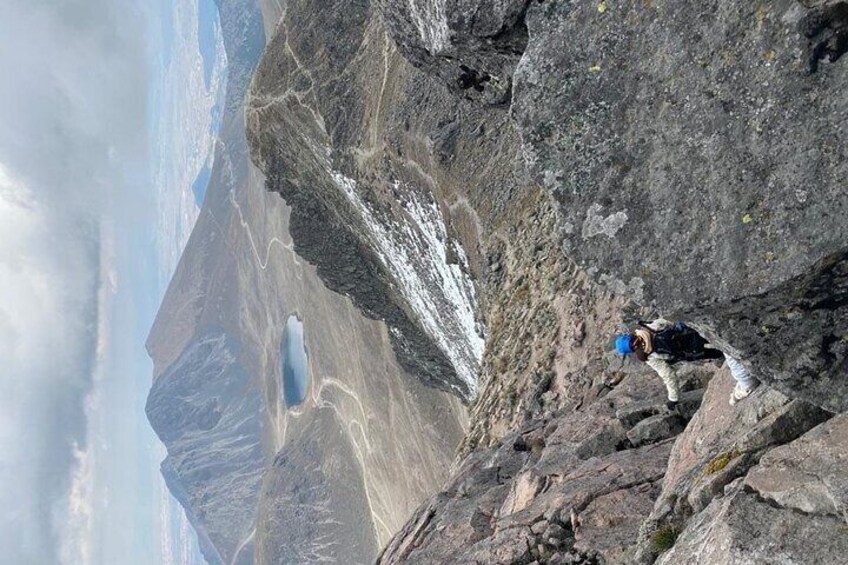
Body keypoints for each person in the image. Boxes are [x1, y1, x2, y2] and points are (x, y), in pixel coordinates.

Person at [615, 319, 759, 408]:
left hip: (699, 350)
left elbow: (668, 375)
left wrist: (673, 398)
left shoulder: (648, 356)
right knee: (730, 346)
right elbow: (674, 323)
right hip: (699, 331)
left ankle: (747, 385)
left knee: (730, 352)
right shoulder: (651, 326)